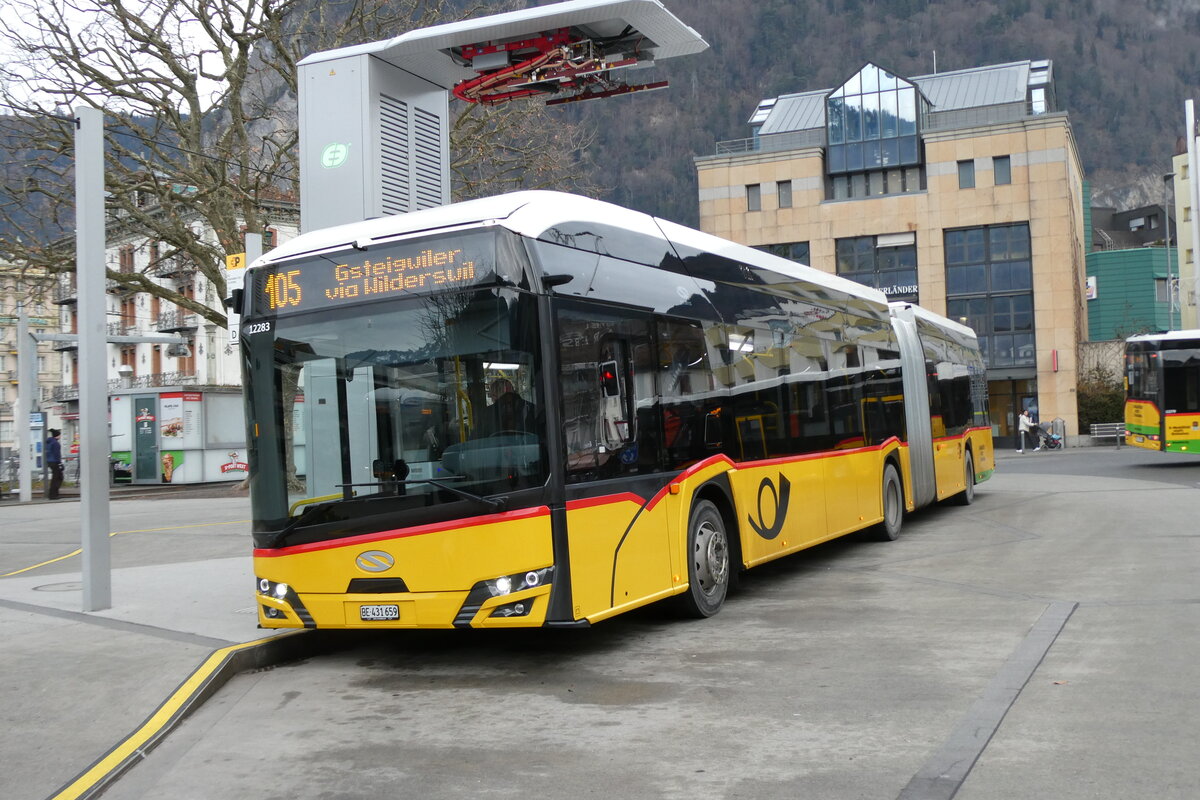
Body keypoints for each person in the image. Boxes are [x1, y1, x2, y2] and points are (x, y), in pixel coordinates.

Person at [46, 428, 63, 499]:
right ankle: (53, 495)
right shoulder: (56, 443)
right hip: (55, 462)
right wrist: (60, 463)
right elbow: (57, 454)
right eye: (59, 435)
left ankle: (53, 494)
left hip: (50, 462)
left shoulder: (49, 442)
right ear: (57, 435)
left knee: (55, 478)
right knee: (58, 478)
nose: (60, 436)